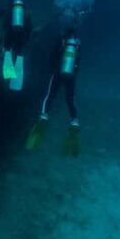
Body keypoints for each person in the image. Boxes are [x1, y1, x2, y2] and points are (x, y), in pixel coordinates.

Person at [26, 27, 81, 156]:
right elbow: (78, 63)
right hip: (71, 76)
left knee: (49, 96)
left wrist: (52, 69)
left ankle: (44, 116)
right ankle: (74, 121)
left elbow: (52, 56)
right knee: (70, 99)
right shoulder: (77, 45)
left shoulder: (61, 41)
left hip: (58, 73)